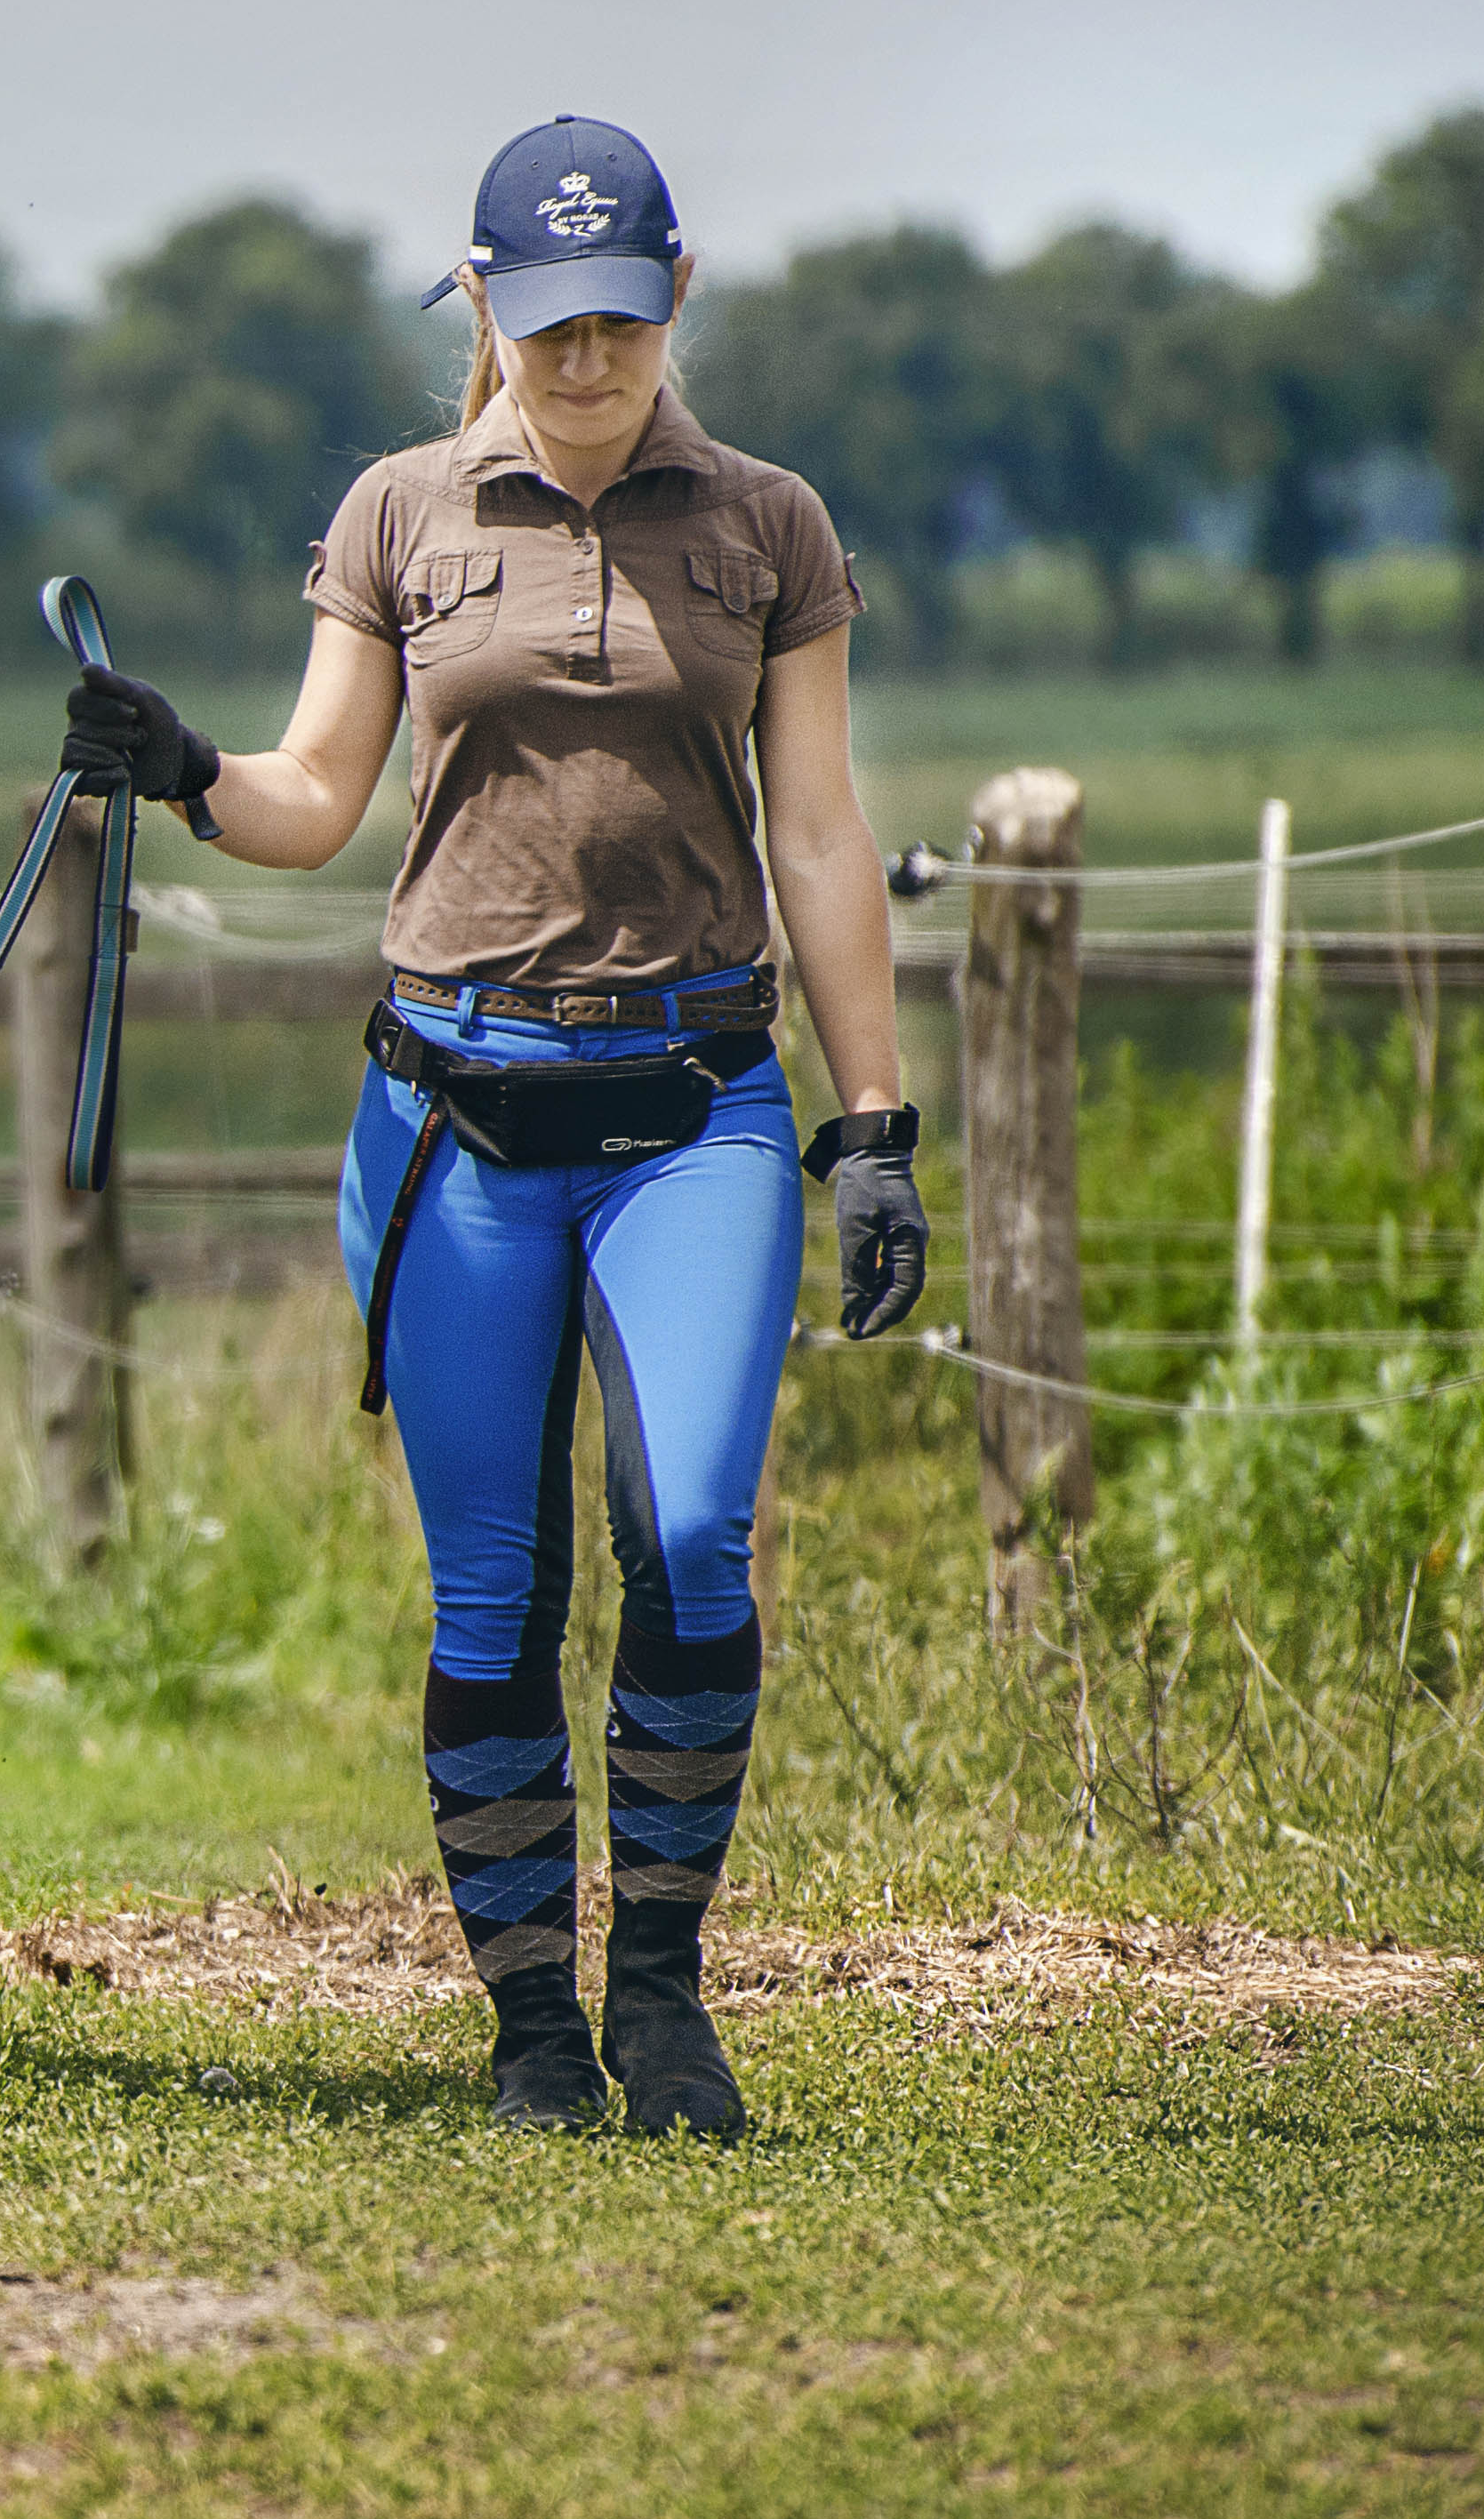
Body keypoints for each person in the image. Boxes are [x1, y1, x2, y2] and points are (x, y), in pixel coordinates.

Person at [54, 116, 928, 2138]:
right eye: (547, 327)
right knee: (490, 1590)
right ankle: (533, 2023)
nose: (588, 360)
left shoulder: (772, 530)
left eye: (622, 319)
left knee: (697, 1534)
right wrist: (180, 766)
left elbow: (817, 826)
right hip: (452, 1122)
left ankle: (666, 1995)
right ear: (478, 305)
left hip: (697, 1111)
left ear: (677, 297)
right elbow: (313, 798)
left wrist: (871, 1120)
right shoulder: (399, 516)